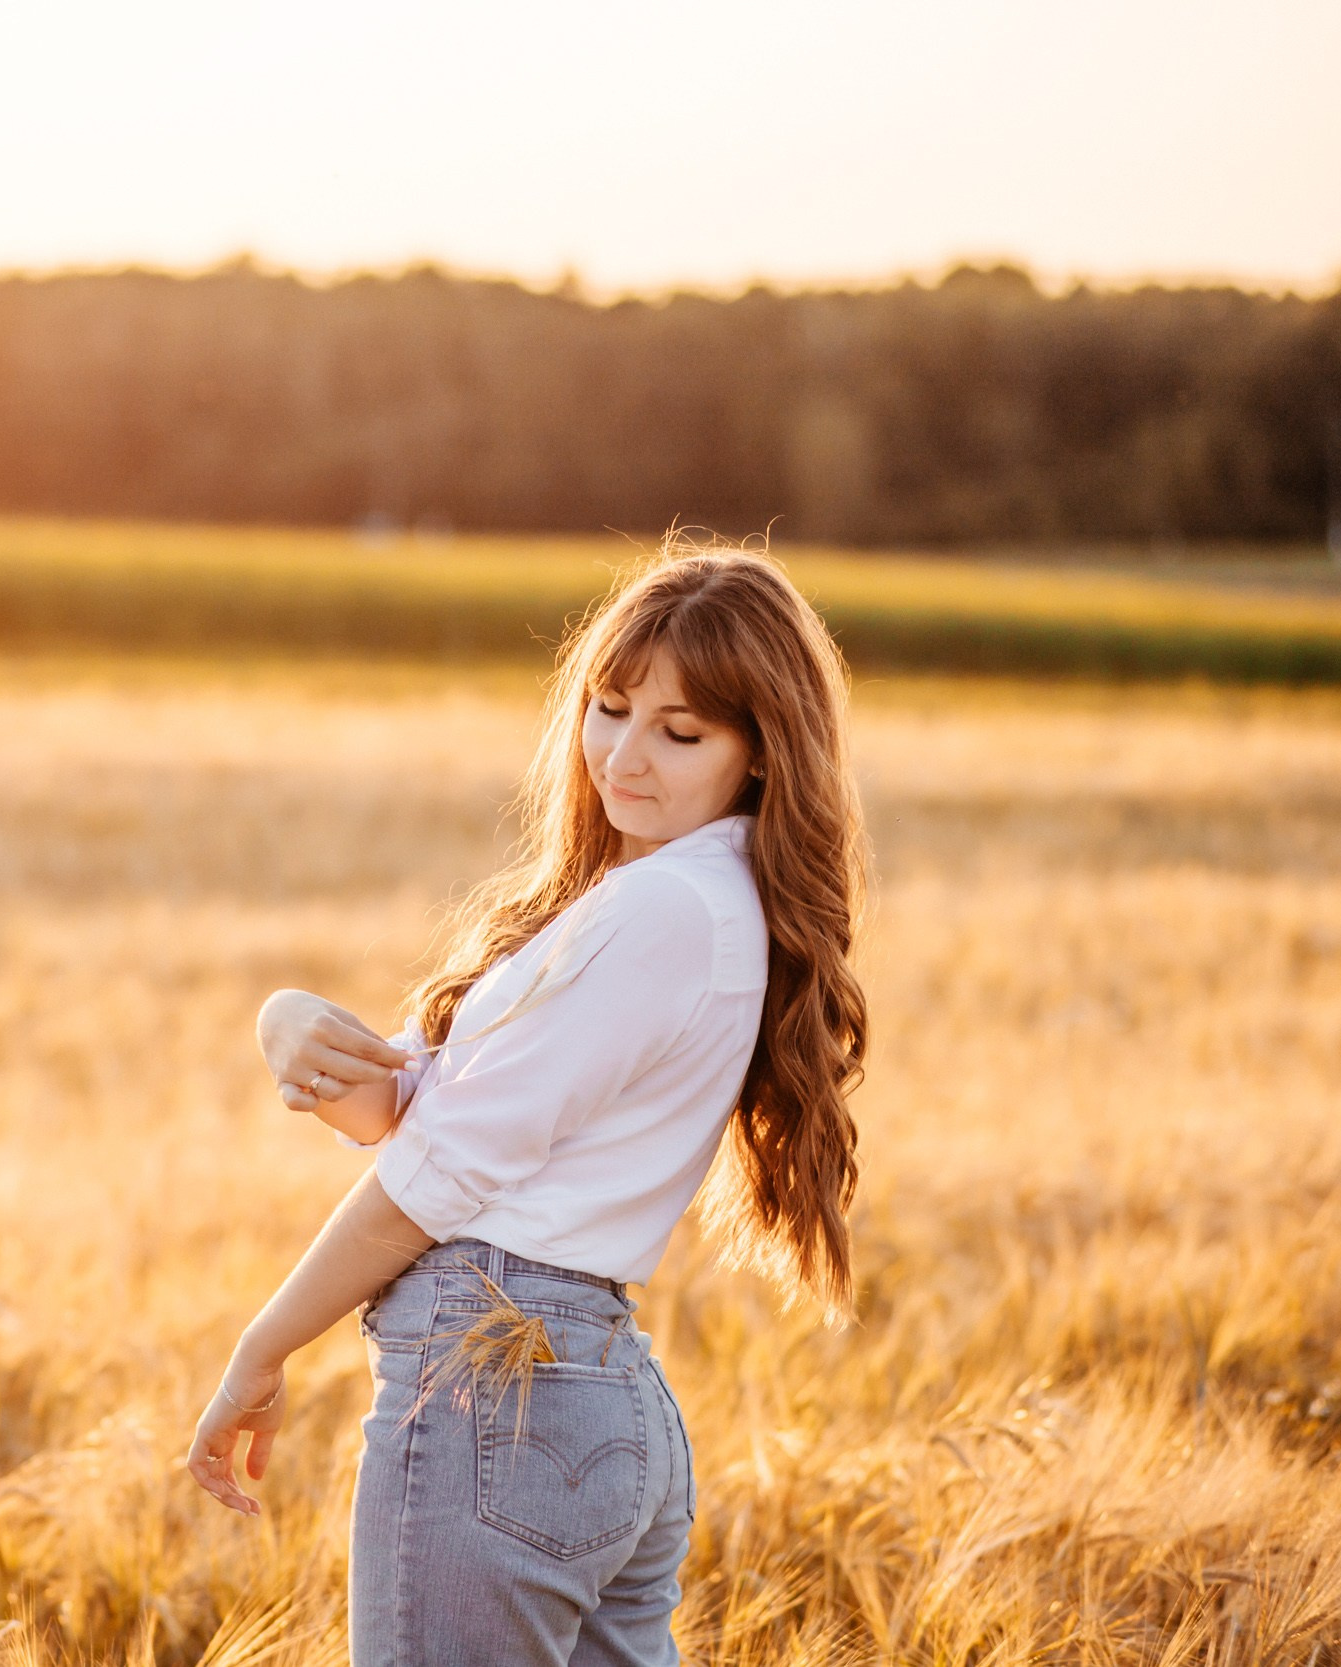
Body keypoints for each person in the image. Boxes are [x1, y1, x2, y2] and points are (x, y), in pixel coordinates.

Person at [186, 540, 869, 1666]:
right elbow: (422, 1113)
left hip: (500, 1400)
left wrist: (261, 1347)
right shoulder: (677, 899)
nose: (624, 756)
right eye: (611, 708)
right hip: (585, 1399)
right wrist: (287, 1022)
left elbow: (439, 1175)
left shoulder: (664, 909)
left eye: (681, 732)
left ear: (760, 753)